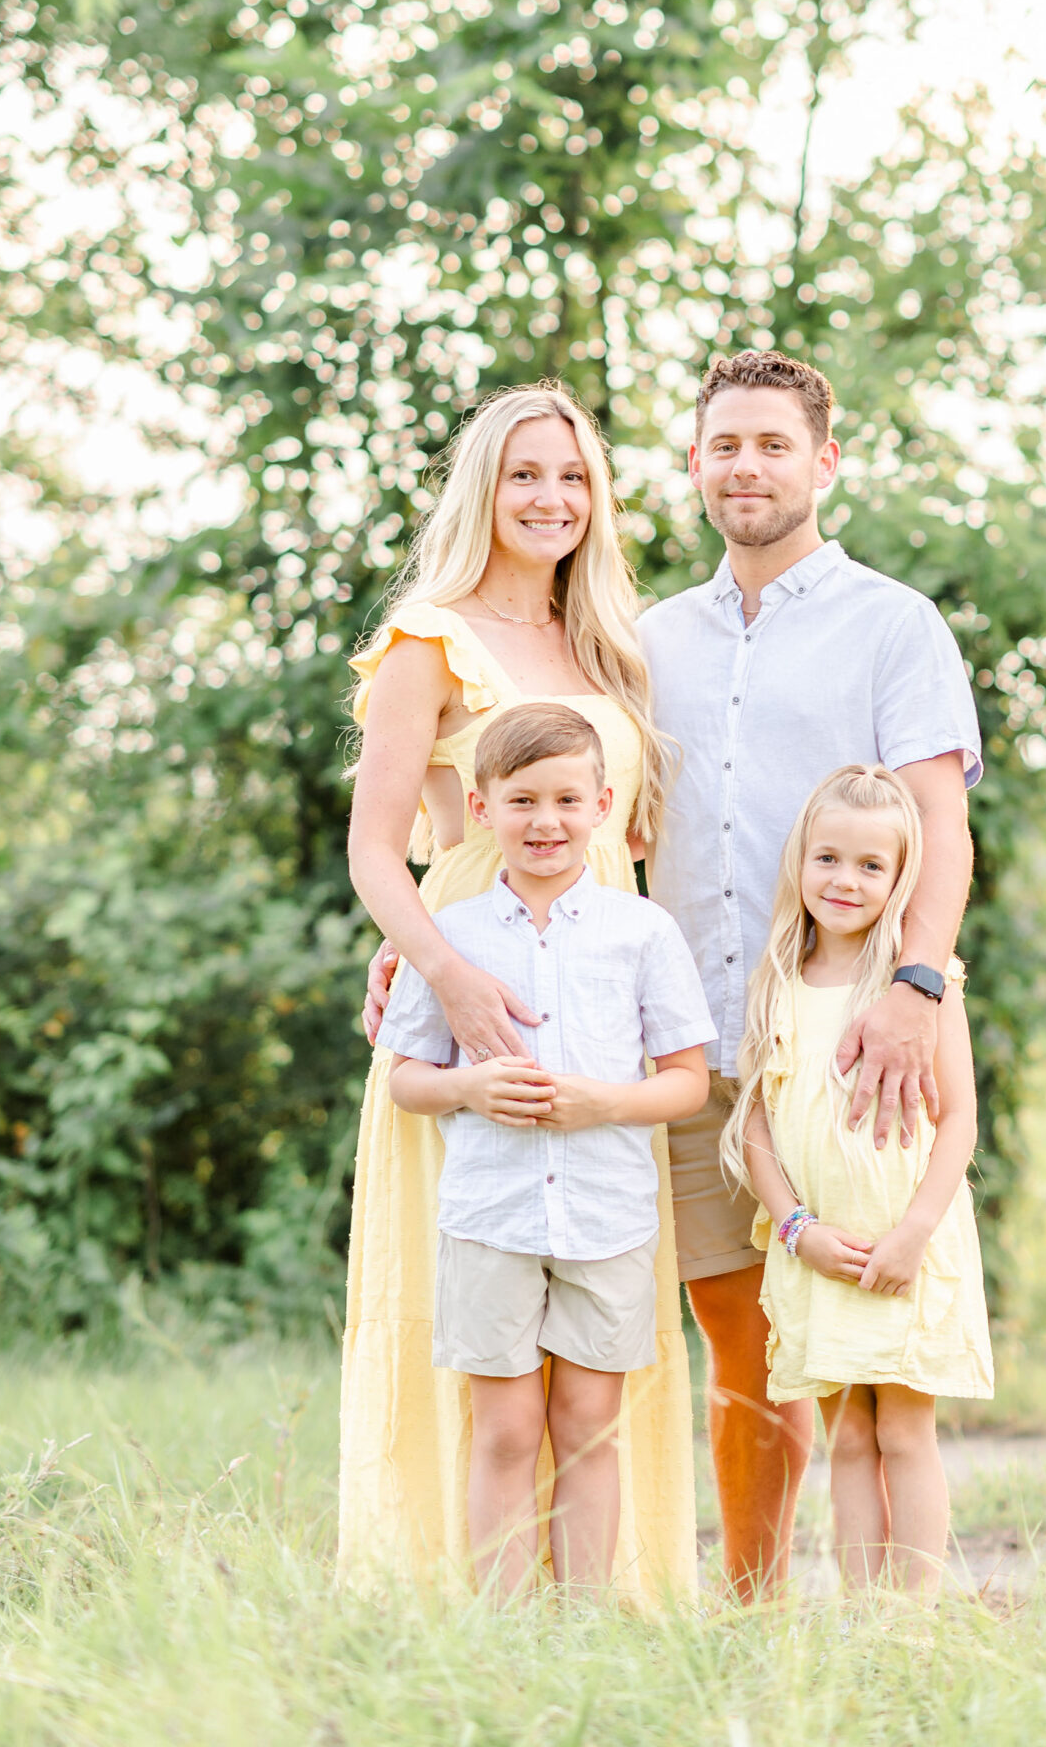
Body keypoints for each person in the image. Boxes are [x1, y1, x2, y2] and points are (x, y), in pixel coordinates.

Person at [364, 348, 983, 1600]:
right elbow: (541, 810)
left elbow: (942, 827)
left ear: (825, 458)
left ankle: (889, 1620)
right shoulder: (639, 645)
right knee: (730, 1342)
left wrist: (917, 988)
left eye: (773, 444)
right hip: (666, 1041)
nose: (746, 466)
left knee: (860, 1347)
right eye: (724, 446)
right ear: (694, 466)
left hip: (839, 1036)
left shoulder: (892, 624)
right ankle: (748, 1612)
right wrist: (427, 934)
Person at [340, 384, 700, 1604]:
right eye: (525, 475)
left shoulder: (614, 645)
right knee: (482, 1327)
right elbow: (379, 847)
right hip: (474, 997)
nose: (552, 499)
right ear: (483, 489)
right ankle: (457, 1598)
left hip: (601, 1001)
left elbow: (638, 844)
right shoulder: (428, 638)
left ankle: (605, 1598)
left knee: (597, 1325)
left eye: (575, 477)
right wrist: (437, 967)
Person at [380, 703, 713, 1596]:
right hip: (492, 1217)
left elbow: (687, 1079)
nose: (546, 822)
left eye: (568, 799)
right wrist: (468, 1088)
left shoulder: (642, 932)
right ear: (482, 809)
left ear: (603, 805)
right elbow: (407, 1076)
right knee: (505, 1431)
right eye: (522, 800)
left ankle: (587, 1625)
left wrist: (603, 1104)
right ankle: (502, 1627)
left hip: (607, 1217)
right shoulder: (450, 935)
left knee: (589, 1424)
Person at [722, 765, 993, 1595]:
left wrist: (913, 1233)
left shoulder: (923, 986)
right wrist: (798, 1230)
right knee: (845, 1438)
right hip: (822, 1249)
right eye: (828, 858)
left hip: (906, 1240)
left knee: (905, 1434)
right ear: (800, 861)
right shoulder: (775, 980)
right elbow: (758, 1123)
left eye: (871, 867)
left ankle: (911, 1621)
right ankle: (864, 1614)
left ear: (901, 878)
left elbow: (958, 1121)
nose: (845, 880)